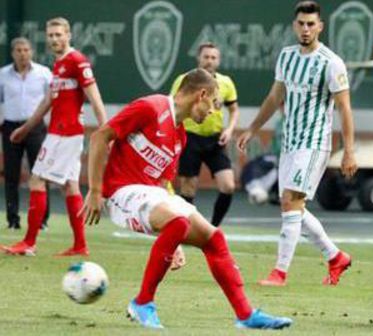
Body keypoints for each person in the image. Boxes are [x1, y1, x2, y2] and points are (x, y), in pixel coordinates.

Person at [81, 68, 292, 330]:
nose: (214, 112)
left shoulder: (179, 136)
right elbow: (101, 136)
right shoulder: (150, 107)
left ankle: (245, 315)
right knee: (178, 222)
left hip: (152, 195)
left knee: (214, 238)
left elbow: (162, 185)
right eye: (214, 104)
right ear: (201, 94)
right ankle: (142, 302)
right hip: (121, 193)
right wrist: (95, 189)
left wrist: (173, 240)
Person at [237, 0, 358, 287]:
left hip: (314, 143)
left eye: (311, 24)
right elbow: (274, 97)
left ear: (320, 26)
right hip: (290, 142)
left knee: (291, 203)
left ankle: (279, 273)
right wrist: (253, 128)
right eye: (301, 24)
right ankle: (335, 256)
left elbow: (344, 109)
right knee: (292, 207)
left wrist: (349, 151)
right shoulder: (287, 56)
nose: (305, 29)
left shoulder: (332, 62)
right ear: (295, 26)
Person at [1, 17, 107, 256]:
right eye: (50, 35)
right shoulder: (58, 64)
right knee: (70, 187)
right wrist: (26, 128)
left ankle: (28, 242)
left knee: (37, 180)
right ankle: (80, 245)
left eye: (59, 35)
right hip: (60, 132)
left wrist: (106, 132)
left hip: (66, 134)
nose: (54, 39)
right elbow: (48, 101)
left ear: (68, 35)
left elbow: (95, 98)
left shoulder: (77, 61)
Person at [169, 43, 239, 227]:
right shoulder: (184, 80)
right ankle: (186, 228)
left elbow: (234, 109)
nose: (209, 61)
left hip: (215, 139)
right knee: (188, 188)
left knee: (228, 186)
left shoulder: (226, 83)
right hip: (189, 138)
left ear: (219, 60)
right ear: (198, 59)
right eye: (206, 57)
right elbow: (172, 106)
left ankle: (213, 228)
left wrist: (229, 129)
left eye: (213, 57)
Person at [0, 37, 51, 230]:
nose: (23, 54)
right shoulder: (3, 75)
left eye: (26, 50)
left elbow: (53, 98)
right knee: (11, 175)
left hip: (35, 127)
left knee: (39, 173)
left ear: (32, 52)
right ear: (13, 53)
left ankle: (42, 220)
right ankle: (13, 219)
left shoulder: (44, 73)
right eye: (19, 50)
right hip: (11, 127)